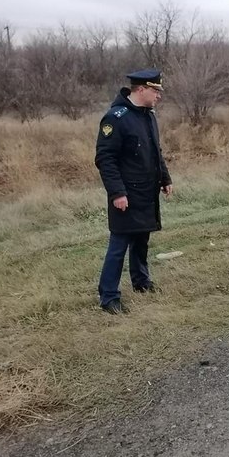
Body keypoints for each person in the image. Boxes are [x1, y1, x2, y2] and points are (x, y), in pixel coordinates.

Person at [94, 69, 173, 314]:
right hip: (126, 195)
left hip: (146, 192)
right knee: (119, 244)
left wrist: (165, 177)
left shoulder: (148, 115)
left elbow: (155, 150)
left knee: (141, 240)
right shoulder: (115, 118)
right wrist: (117, 193)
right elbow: (105, 159)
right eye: (155, 90)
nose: (159, 95)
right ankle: (109, 297)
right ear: (141, 89)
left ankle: (141, 281)